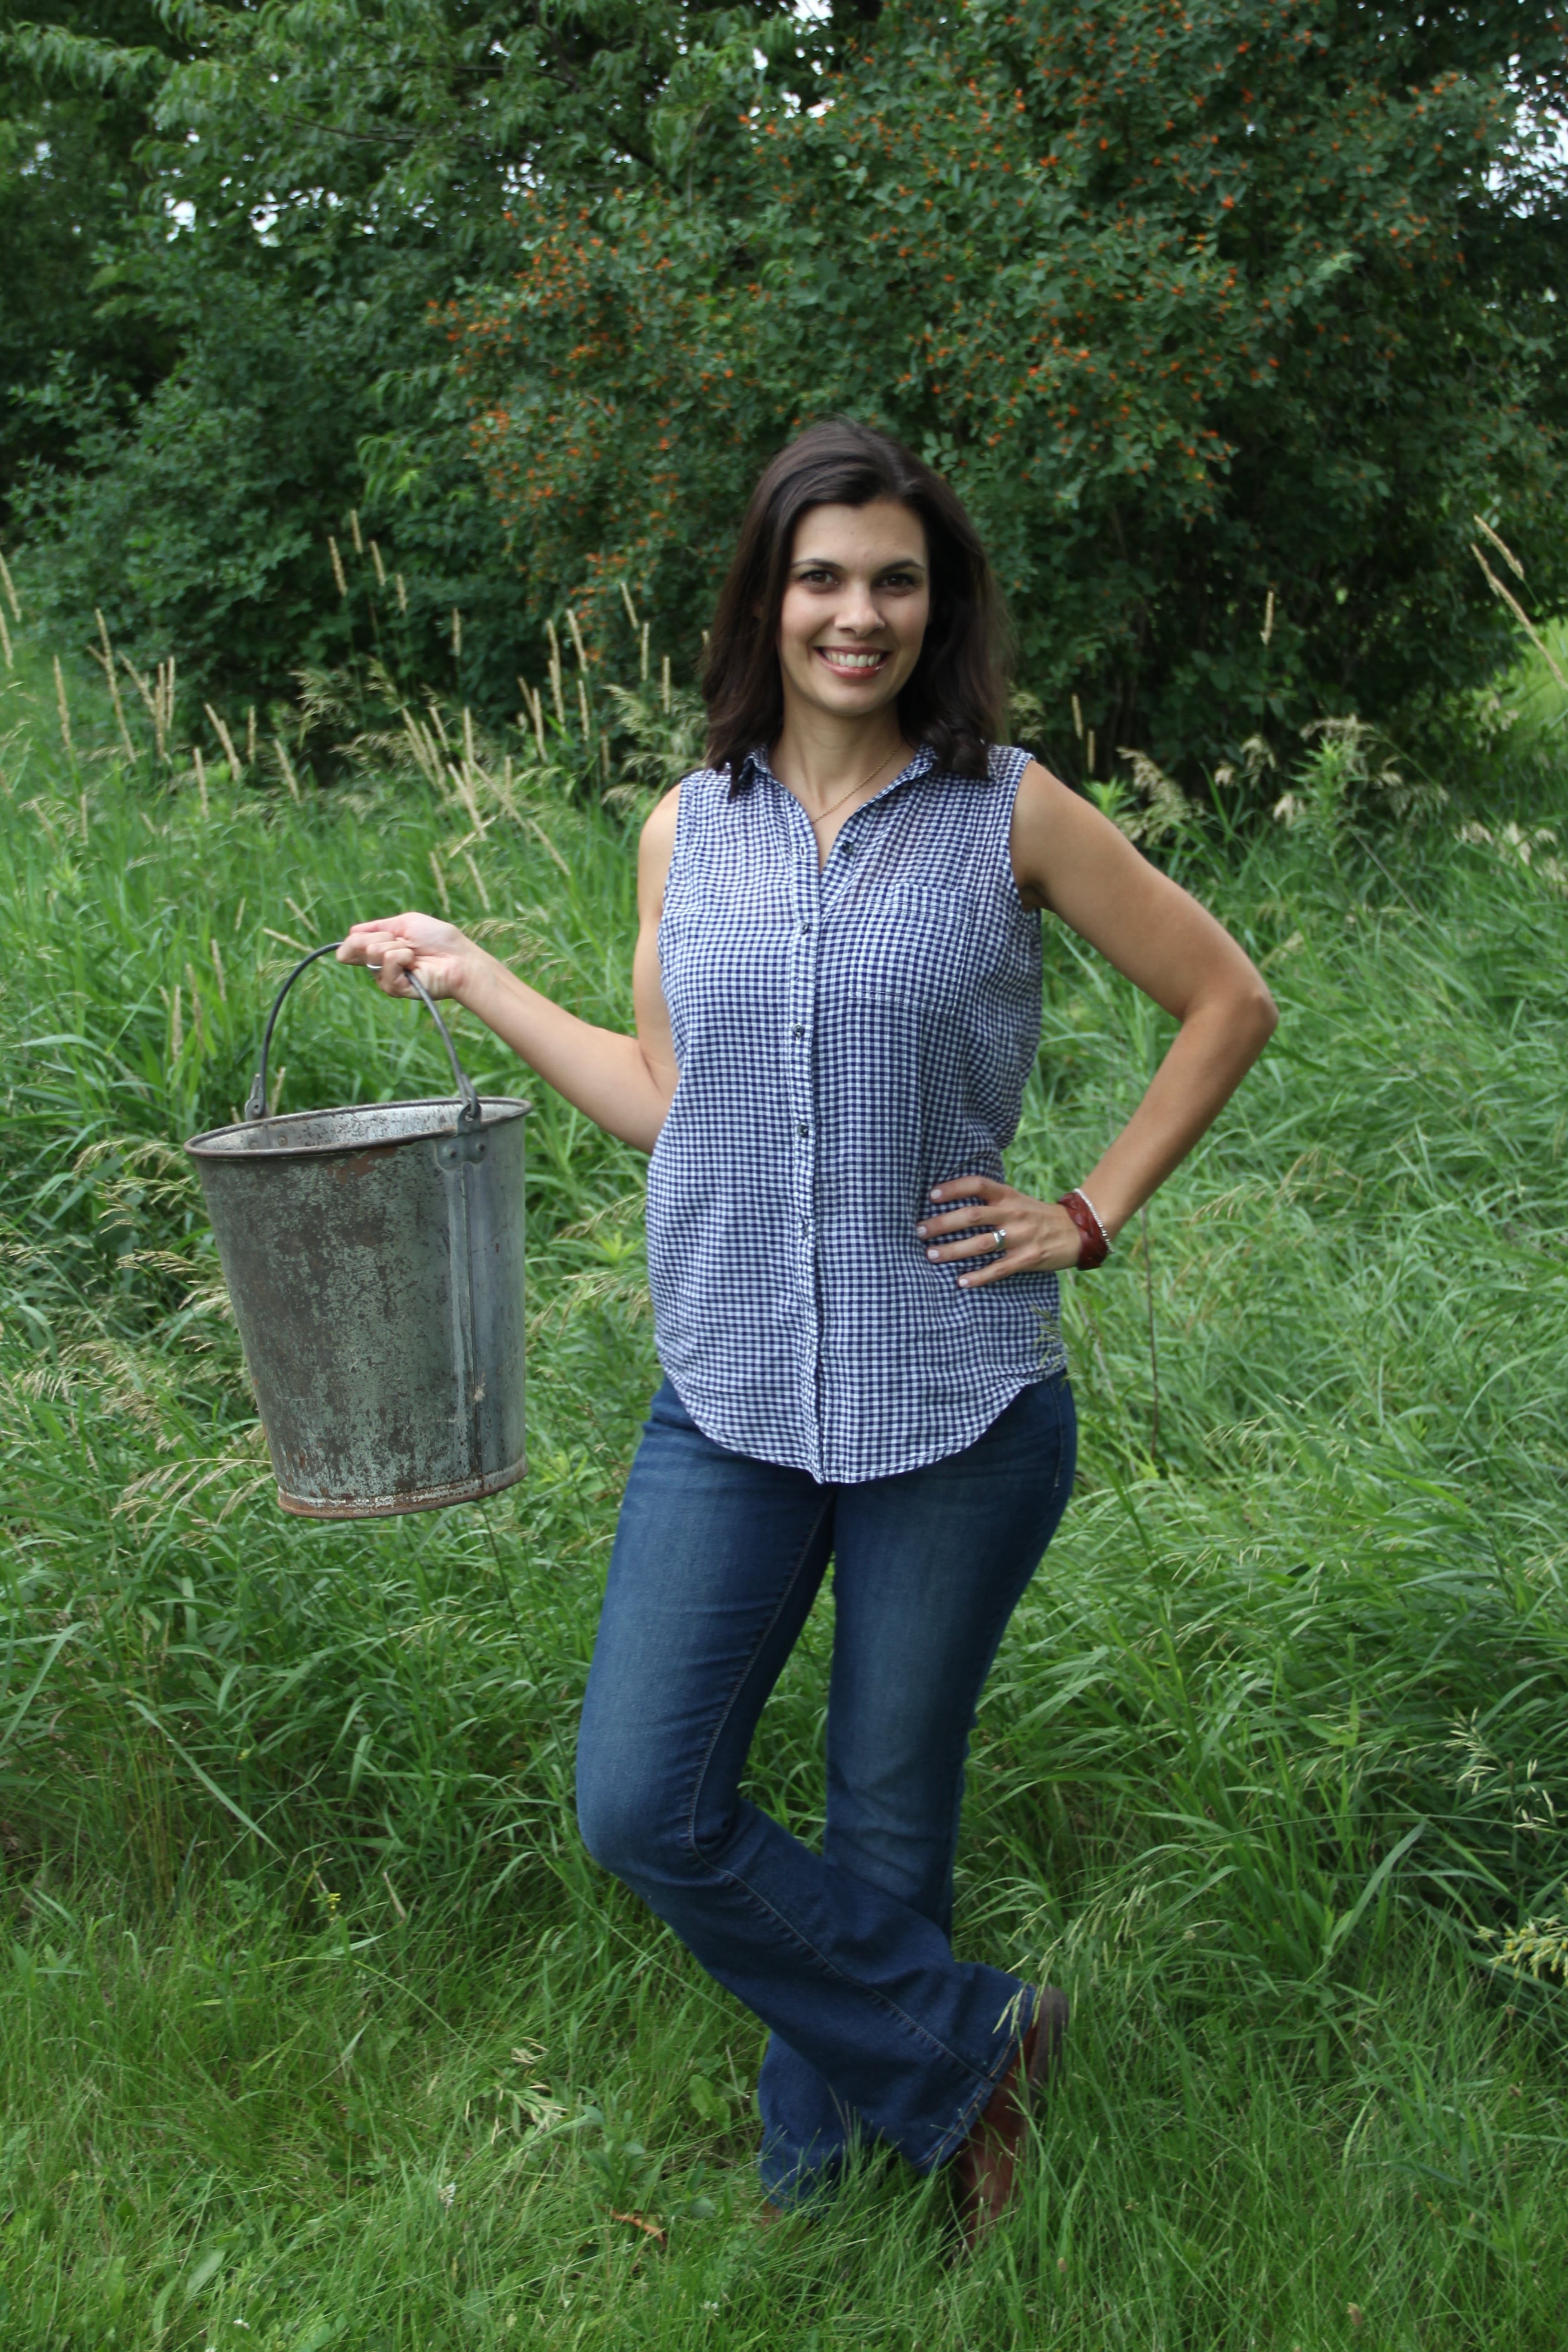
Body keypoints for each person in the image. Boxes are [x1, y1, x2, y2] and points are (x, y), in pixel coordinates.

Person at [338, 419, 1277, 2241]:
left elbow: (1227, 999)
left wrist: (1088, 1214)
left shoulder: (1009, 808)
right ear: (768, 599)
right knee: (641, 1800)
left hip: (959, 1402)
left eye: (896, 579)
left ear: (941, 602)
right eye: (824, 577)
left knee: (884, 1821)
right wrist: (478, 976)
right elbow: (664, 1096)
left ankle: (819, 2201)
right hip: (735, 1396)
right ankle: (979, 2047)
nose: (860, 614)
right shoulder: (690, 828)